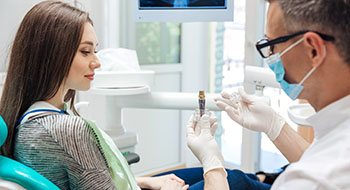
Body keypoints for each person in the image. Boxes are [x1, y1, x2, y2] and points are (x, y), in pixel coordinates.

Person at [0, 1, 190, 189]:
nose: (97, 62)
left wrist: (144, 181)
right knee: (213, 174)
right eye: (85, 51)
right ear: (52, 54)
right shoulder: (66, 130)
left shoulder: (24, 117)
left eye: (95, 51)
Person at [212, 0, 350, 189]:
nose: (271, 57)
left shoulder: (313, 180)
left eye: (272, 45)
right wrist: (274, 126)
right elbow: (321, 154)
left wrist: (212, 164)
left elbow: (322, 168)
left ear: (313, 50)